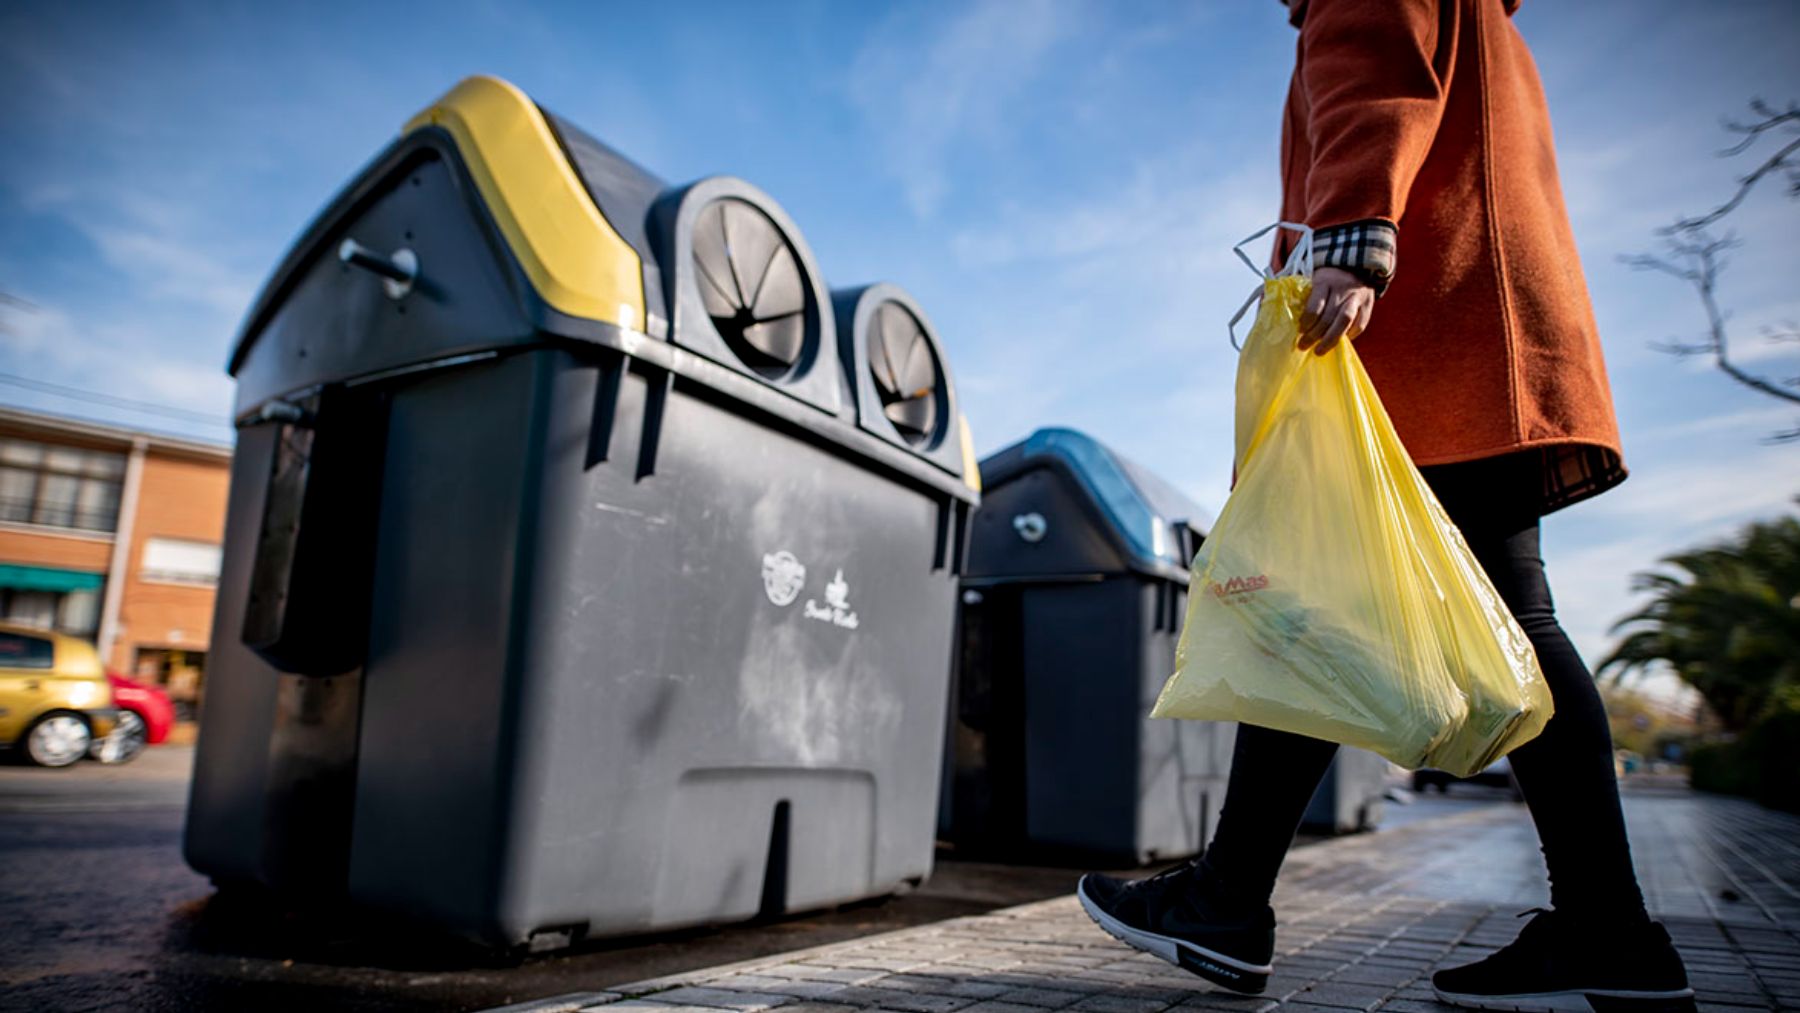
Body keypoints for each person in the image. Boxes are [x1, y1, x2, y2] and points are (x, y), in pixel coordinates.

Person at [1076, 1, 1696, 1010]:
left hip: (1430, 324)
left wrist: (1355, 234)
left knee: (1466, 618)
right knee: (1341, 611)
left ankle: (1603, 927)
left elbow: (1372, 61)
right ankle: (1236, 901)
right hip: (1472, 311)